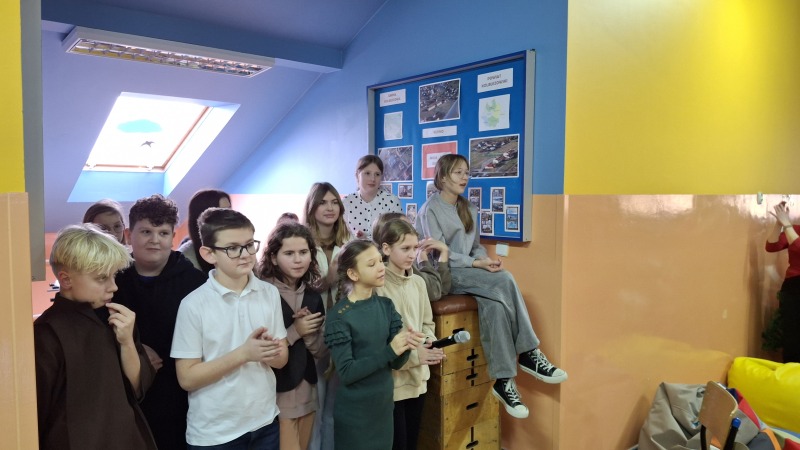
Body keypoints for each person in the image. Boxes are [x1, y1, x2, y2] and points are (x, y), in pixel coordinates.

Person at [415, 154, 568, 419]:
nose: (465, 177)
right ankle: (529, 351)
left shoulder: (468, 208)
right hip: (446, 275)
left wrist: (484, 260)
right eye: (458, 172)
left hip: (470, 271)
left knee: (495, 305)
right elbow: (439, 253)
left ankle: (503, 380)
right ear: (443, 177)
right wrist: (476, 264)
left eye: (466, 172)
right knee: (506, 279)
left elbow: (475, 246)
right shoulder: (430, 210)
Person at [172, 207, 288, 449]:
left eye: (249, 245)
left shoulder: (268, 293)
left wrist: (268, 351)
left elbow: (282, 359)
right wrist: (244, 354)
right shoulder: (193, 305)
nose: (245, 255)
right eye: (232, 248)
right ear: (209, 254)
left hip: (264, 421)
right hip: (215, 433)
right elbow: (187, 378)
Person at [34, 224, 157, 450]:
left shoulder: (117, 319)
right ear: (66, 279)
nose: (113, 287)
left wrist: (127, 343)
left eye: (114, 275)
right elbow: (37, 410)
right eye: (101, 278)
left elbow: (137, 388)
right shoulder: (47, 332)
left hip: (126, 438)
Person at [112, 194, 207, 449]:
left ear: (173, 237)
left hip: (181, 399)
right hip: (128, 398)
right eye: (146, 231)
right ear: (129, 234)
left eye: (163, 233)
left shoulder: (196, 283)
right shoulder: (112, 281)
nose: (155, 240)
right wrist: (137, 348)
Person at [324, 239, 423, 450]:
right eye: (371, 264)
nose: (381, 267)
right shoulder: (339, 316)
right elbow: (347, 372)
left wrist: (407, 344)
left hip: (383, 410)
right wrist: (390, 350)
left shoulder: (386, 306)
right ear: (353, 274)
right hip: (355, 416)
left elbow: (396, 363)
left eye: (380, 261)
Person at [374, 218, 445, 450]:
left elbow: (426, 323)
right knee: (397, 444)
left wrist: (430, 345)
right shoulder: (377, 286)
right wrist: (415, 356)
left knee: (412, 441)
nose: (412, 254)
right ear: (386, 249)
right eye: (405, 248)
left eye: (415, 248)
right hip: (391, 383)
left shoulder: (418, 283)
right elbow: (378, 341)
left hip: (417, 380)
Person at [258, 222, 328, 450]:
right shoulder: (262, 293)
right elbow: (260, 350)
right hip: (276, 392)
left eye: (303, 252)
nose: (298, 260)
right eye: (289, 253)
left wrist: (308, 334)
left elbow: (320, 351)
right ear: (273, 257)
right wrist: (295, 331)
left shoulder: (313, 296)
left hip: (308, 389)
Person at [302, 182, 351, 450]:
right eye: (323, 202)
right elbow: (298, 288)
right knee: (315, 404)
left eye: (334, 202)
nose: (330, 208)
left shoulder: (348, 241)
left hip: (343, 329)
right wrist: (328, 280)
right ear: (312, 207)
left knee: (335, 405)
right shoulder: (303, 243)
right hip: (313, 331)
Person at [373, 212, 451, 302]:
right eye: (403, 227)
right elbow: (436, 292)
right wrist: (423, 260)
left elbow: (440, 290)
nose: (410, 230)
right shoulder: (395, 263)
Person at [766, 201, 800, 363]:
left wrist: (787, 225)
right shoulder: (795, 229)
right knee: (791, 334)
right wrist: (779, 224)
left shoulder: (791, 229)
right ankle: (791, 373)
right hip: (792, 286)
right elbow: (771, 246)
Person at [343, 155, 401, 240]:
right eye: (367, 173)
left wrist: (369, 241)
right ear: (357, 175)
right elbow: (341, 237)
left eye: (377, 174)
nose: (373, 179)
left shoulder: (392, 201)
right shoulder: (346, 202)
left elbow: (398, 235)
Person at [178, 188, 232, 273]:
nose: (230, 217)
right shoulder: (186, 257)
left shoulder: (241, 243)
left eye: (229, 210)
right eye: (222, 212)